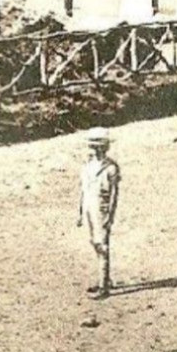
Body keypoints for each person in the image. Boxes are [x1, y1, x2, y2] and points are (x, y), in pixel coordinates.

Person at [76, 128, 122, 299]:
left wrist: (110, 214)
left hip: (101, 208)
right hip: (90, 207)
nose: (96, 149)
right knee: (94, 242)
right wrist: (80, 211)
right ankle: (105, 278)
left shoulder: (111, 168)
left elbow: (114, 194)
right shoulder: (87, 166)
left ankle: (103, 287)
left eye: (99, 146)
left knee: (102, 245)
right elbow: (83, 190)